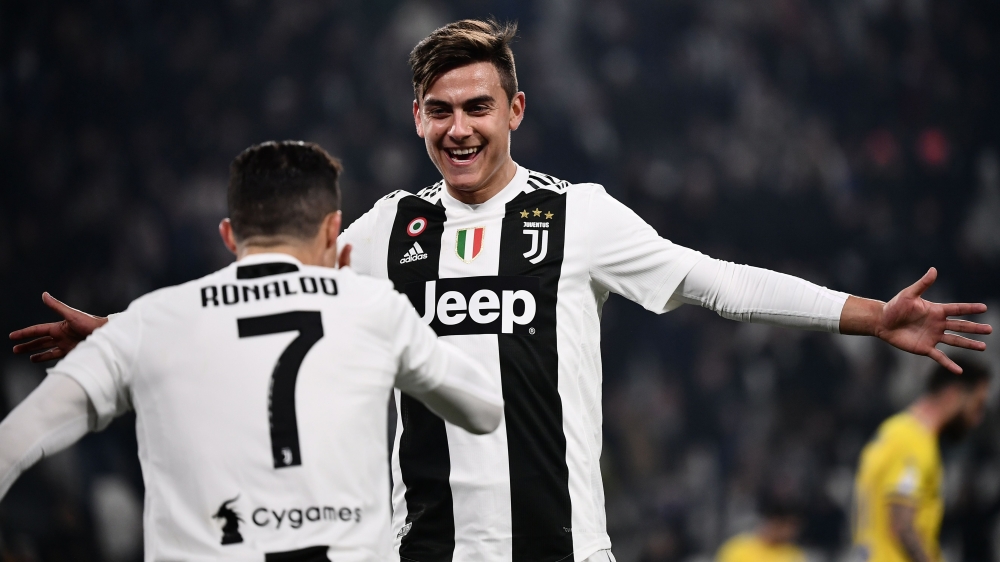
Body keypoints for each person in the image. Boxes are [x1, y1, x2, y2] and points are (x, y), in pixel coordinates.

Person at [10, 19, 992, 562]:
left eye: (478, 106)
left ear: (514, 109)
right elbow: (262, 301)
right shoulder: (389, 226)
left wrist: (868, 314)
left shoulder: (582, 217)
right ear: (416, 118)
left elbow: (713, 283)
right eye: (439, 110)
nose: (459, 127)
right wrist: (126, 333)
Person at [1, 141, 504, 561]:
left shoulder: (156, 323)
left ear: (228, 234)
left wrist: (114, 334)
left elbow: (19, 437)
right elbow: (483, 410)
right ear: (334, 232)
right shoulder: (376, 310)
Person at [851, 358, 991, 562]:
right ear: (953, 395)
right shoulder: (914, 442)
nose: (977, 419)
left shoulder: (894, 430)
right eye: (977, 405)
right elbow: (901, 525)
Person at [716, 493, 806, 562]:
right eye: (789, 526)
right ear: (775, 522)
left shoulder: (794, 555)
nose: (793, 532)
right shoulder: (737, 549)